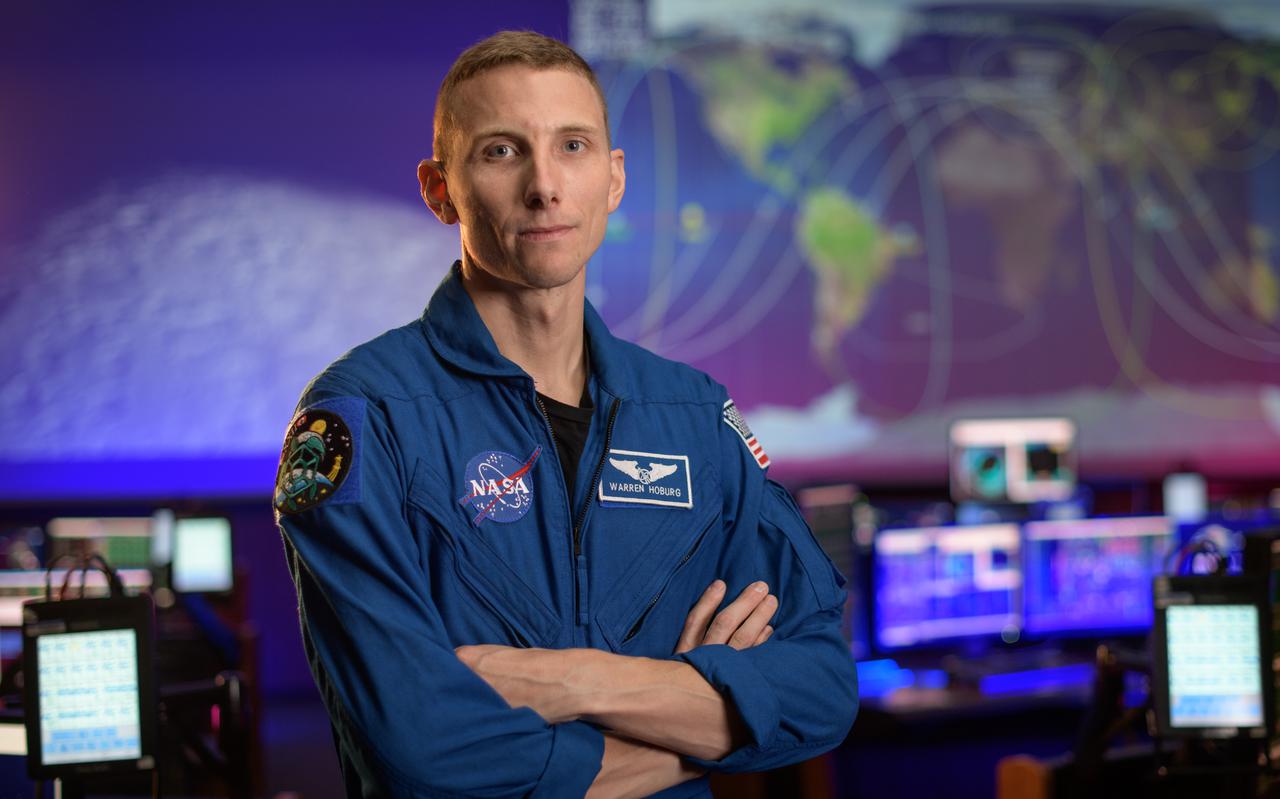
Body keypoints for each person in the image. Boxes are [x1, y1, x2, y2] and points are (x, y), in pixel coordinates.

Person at [274, 30, 857, 799]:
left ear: (613, 180)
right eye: (502, 151)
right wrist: (701, 729)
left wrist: (579, 681)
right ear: (438, 187)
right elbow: (421, 755)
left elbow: (821, 687)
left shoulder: (688, 411)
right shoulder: (361, 418)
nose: (545, 186)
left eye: (572, 146)